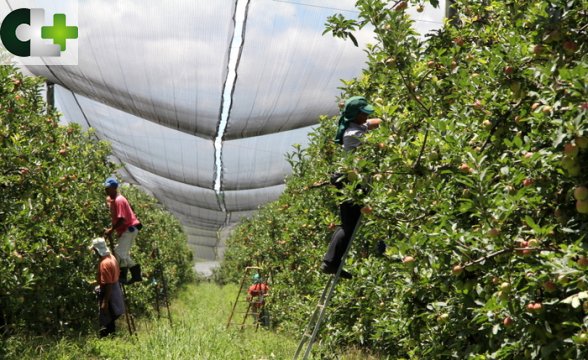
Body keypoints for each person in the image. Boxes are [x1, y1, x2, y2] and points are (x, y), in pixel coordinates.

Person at [320, 96, 382, 279]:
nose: (367, 117)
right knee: (349, 227)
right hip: (348, 182)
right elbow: (380, 146)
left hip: (349, 180)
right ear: (356, 115)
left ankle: (330, 262)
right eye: (364, 113)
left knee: (348, 224)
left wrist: (388, 119)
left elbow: (375, 122)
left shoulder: (357, 125)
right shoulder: (353, 134)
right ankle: (331, 263)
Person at [103, 177, 143, 284]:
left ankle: (122, 277)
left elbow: (121, 219)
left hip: (129, 229)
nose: (106, 190)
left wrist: (111, 230)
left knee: (118, 252)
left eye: (108, 188)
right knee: (124, 254)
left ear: (114, 188)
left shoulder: (119, 200)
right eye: (105, 188)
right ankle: (136, 274)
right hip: (129, 230)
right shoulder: (114, 200)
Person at [90, 237, 125, 338]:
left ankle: (107, 340)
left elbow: (108, 284)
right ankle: (112, 339)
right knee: (111, 320)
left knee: (106, 320)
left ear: (97, 250)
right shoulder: (111, 257)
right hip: (115, 291)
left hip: (109, 294)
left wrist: (105, 302)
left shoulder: (104, 263)